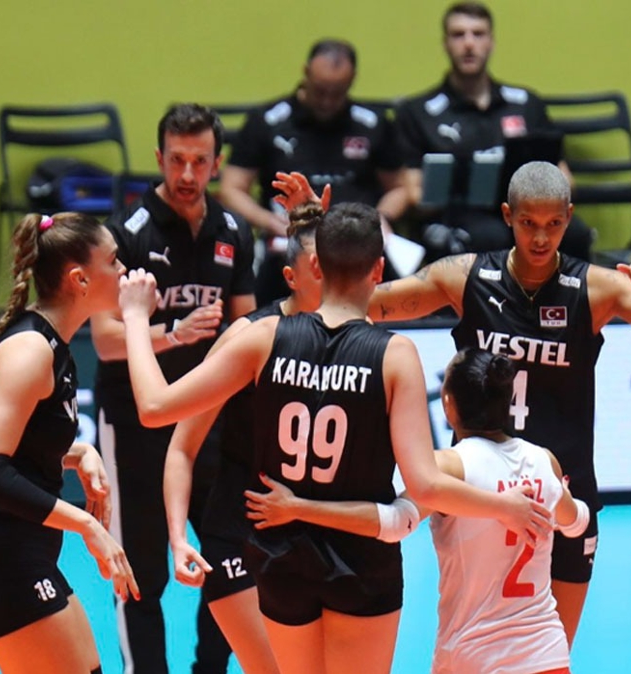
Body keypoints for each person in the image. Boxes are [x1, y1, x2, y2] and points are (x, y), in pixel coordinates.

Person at [276, 160, 631, 646]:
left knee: (552, 647)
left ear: (569, 217)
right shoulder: (464, 276)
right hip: (478, 487)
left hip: (561, 487)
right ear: (507, 215)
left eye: (554, 224)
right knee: (471, 638)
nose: (541, 237)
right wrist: (317, 232)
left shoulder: (597, 287)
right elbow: (349, 300)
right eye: (528, 223)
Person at [117, 202, 552, 674]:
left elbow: (154, 408)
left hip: (282, 555)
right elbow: (424, 486)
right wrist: (502, 505)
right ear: (379, 270)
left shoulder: (263, 337)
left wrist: (136, 318)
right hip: (360, 560)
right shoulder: (395, 354)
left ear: (317, 265)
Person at [244, 347, 587, 674]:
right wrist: (562, 498)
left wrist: (299, 508)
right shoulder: (544, 461)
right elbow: (577, 523)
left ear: (447, 404)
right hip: (547, 654)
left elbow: (394, 523)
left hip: (475, 657)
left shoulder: (448, 468)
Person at [91, 103, 256, 674]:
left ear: (217, 163)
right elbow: (106, 339)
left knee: (228, 561)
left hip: (211, 421)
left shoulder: (234, 231)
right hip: (135, 422)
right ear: (159, 158)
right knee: (141, 571)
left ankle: (210, 668)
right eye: (177, 160)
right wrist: (173, 334)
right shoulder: (124, 235)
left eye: (200, 161)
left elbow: (246, 325)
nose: (187, 174)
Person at [0, 212, 138, 674]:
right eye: (113, 261)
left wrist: (79, 453)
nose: (123, 271)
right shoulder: (30, 350)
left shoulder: (50, 343)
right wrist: (87, 526)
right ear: (79, 279)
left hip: (22, 559)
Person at [162, 202, 325, 674]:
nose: (332, 275)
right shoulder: (246, 337)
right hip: (239, 533)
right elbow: (181, 446)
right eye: (319, 266)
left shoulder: (353, 337)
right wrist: (178, 538)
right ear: (292, 276)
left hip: (313, 531)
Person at [394, 2, 592, 261]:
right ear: (445, 44)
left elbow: (565, 179)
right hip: (456, 217)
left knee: (575, 234)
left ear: (491, 42)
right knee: (490, 238)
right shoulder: (418, 112)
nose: (468, 44)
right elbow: (413, 194)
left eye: (478, 34)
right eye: (458, 35)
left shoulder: (526, 104)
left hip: (525, 212)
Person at [220, 38, 407, 304]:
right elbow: (231, 189)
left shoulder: (373, 124)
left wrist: (382, 216)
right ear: (306, 73)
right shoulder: (268, 122)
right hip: (289, 237)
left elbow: (400, 188)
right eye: (320, 90)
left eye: (337, 92)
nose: (327, 101)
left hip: (356, 236)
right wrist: (268, 221)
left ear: (352, 80)